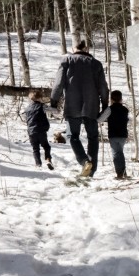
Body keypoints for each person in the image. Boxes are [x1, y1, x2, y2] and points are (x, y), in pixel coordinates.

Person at [51, 39, 108, 177]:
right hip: (92, 107)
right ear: (86, 48)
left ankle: (84, 161)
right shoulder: (96, 64)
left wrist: (53, 102)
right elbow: (103, 88)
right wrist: (105, 105)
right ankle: (91, 170)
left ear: (73, 48)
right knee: (93, 138)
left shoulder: (66, 61)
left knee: (72, 136)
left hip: (72, 106)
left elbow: (58, 84)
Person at [21, 89, 54, 170]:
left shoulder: (27, 108)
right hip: (41, 131)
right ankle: (48, 160)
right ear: (40, 98)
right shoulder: (42, 106)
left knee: (35, 149)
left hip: (31, 132)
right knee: (46, 146)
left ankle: (38, 164)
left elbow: (25, 117)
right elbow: (54, 110)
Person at [105, 89, 130, 180]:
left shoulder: (110, 109)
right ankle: (124, 172)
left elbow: (100, 119)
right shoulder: (125, 110)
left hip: (113, 135)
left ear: (111, 99)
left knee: (116, 154)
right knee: (120, 153)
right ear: (121, 99)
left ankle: (120, 173)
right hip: (123, 134)